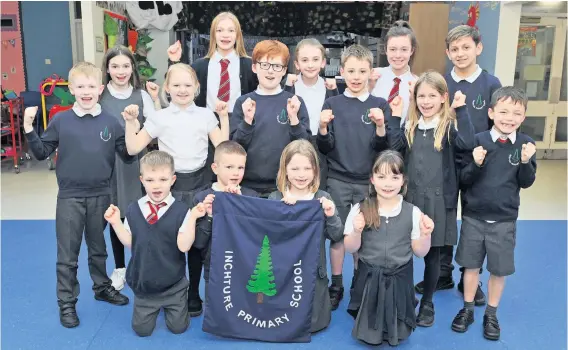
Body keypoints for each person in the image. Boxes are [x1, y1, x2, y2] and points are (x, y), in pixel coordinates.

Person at [23, 62, 131, 328]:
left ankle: (101, 287)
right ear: (71, 89)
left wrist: (132, 124)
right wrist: (28, 128)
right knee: (68, 254)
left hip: (101, 195)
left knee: (98, 249)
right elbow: (41, 152)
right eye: (80, 86)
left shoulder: (110, 121)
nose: (86, 91)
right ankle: (67, 302)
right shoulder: (61, 120)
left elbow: (128, 154)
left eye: (91, 86)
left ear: (101, 89)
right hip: (70, 197)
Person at [388, 70, 474, 327]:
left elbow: (468, 143)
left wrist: (462, 110)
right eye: (420, 96)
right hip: (411, 199)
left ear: (443, 97)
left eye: (431, 96)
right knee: (403, 251)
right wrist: (395, 115)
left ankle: (427, 303)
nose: (425, 101)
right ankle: (404, 298)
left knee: (433, 255)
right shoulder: (411, 127)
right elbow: (392, 147)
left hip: (438, 201)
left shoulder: (448, 128)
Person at [450, 87, 536, 341]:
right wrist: (475, 164)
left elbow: (526, 181)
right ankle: (467, 309)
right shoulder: (478, 141)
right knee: (471, 267)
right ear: (491, 112)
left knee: (498, 270)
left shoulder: (526, 144)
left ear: (523, 117)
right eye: (503, 111)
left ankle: (491, 313)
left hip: (504, 220)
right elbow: (464, 179)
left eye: (516, 113)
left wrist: (524, 161)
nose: (509, 118)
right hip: (474, 217)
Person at [317, 44, 391, 310]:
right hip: (337, 179)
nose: (356, 76)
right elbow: (324, 147)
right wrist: (323, 127)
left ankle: (360, 285)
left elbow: (383, 148)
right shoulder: (332, 103)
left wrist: (381, 125)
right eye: (351, 70)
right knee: (337, 235)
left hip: (367, 183)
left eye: (362, 71)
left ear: (371, 72)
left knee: (365, 236)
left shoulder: (379, 105)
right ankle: (336, 285)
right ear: (341, 72)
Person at [104, 150, 202, 337]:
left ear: (173, 180)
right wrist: (116, 223)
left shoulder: (181, 211)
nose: (157, 186)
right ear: (141, 180)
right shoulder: (133, 209)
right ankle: (153, 308)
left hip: (174, 285)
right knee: (142, 331)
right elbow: (131, 243)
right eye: (150, 180)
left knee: (179, 328)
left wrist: (193, 218)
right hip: (144, 286)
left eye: (163, 180)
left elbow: (184, 247)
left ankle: (175, 304)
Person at [344, 150, 433, 346]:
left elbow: (420, 252)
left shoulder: (413, 212)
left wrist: (426, 235)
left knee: (398, 332)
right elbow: (350, 248)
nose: (388, 183)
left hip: (399, 279)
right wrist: (356, 231)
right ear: (372, 179)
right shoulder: (360, 209)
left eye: (394, 177)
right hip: (369, 279)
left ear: (403, 181)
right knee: (369, 332)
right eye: (381, 176)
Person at [99, 45, 161, 291]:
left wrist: (156, 100)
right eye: (115, 66)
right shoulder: (100, 96)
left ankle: (146, 263)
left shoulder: (142, 96)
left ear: (133, 68)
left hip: (137, 164)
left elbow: (155, 127)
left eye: (126, 66)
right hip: (108, 165)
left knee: (140, 214)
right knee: (117, 215)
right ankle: (120, 268)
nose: (121, 71)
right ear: (107, 69)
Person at [267, 139, 343, 332]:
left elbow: (336, 235)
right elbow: (270, 239)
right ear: (285, 170)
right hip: (283, 271)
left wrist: (331, 214)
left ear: (316, 171)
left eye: (307, 169)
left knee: (315, 323)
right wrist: (283, 211)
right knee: (281, 322)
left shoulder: (322, 198)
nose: (301, 175)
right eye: (295, 169)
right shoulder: (275, 198)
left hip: (314, 273)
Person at [230, 39, 311, 197]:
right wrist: (247, 121)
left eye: (277, 66)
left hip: (285, 186)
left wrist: (293, 119)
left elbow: (305, 147)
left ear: (284, 71)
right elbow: (235, 148)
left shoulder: (294, 102)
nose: (270, 71)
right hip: (248, 185)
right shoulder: (243, 102)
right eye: (264, 65)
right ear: (254, 67)